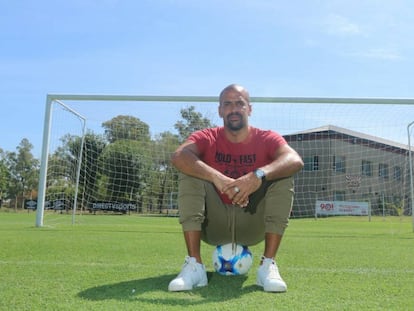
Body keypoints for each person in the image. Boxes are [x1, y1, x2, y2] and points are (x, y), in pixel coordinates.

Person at [168, 84, 303, 292]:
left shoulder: (266, 137)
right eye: (227, 104)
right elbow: (179, 156)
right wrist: (218, 178)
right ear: (220, 110)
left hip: (253, 221)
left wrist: (256, 176)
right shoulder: (207, 137)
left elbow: (295, 160)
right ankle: (194, 266)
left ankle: (267, 265)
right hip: (213, 223)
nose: (234, 109)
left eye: (239, 103)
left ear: (249, 109)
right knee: (190, 170)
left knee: (282, 174)